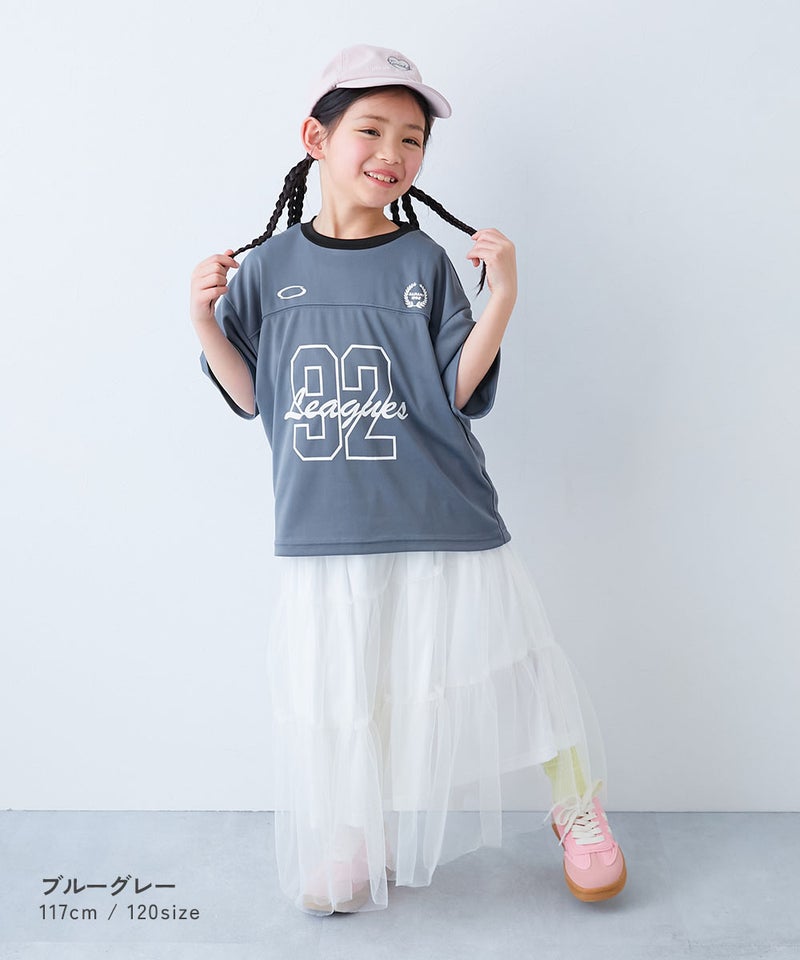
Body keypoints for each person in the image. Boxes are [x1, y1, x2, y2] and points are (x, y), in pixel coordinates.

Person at [189, 43, 627, 915]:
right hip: (325, 527)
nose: (393, 152)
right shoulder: (268, 269)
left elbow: (456, 390)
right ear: (316, 137)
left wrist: (501, 298)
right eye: (372, 129)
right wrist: (203, 320)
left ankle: (576, 808)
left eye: (413, 138)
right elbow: (251, 397)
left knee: (517, 668)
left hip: (443, 510)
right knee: (351, 692)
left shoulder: (423, 261)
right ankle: (356, 835)